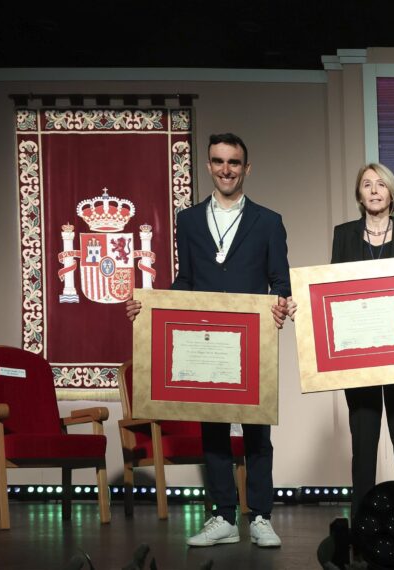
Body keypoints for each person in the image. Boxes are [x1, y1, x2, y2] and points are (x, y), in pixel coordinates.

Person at [126, 133, 291, 548]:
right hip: (204, 339)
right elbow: (186, 281)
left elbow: (281, 280)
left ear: (246, 168)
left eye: (234, 162)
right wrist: (151, 308)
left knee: (257, 431)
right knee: (213, 429)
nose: (226, 169)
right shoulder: (189, 219)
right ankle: (223, 516)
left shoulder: (269, 220)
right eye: (218, 161)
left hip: (251, 339)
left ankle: (261, 517)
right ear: (208, 166)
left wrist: (279, 304)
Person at [311, 163, 394, 517]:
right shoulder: (344, 236)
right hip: (359, 359)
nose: (374, 190)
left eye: (381, 184)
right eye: (366, 184)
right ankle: (361, 527)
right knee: (363, 446)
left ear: (391, 193)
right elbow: (334, 291)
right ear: (359, 194)